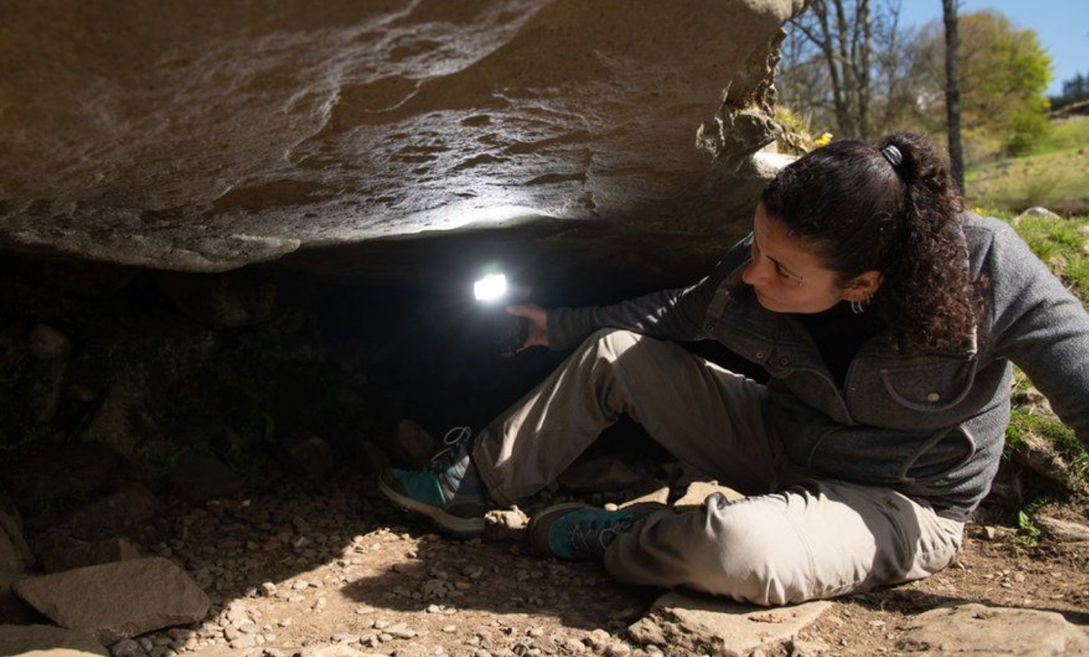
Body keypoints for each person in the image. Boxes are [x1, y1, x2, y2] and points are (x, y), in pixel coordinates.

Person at [379, 132, 1089, 606]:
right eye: (754, 244)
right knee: (615, 357)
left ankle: (625, 534)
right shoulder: (753, 273)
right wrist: (553, 325)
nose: (751, 275)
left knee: (736, 546)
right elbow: (671, 315)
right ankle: (471, 483)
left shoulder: (986, 268)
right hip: (780, 441)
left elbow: (1079, 372)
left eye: (780, 268)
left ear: (862, 283)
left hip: (901, 503)